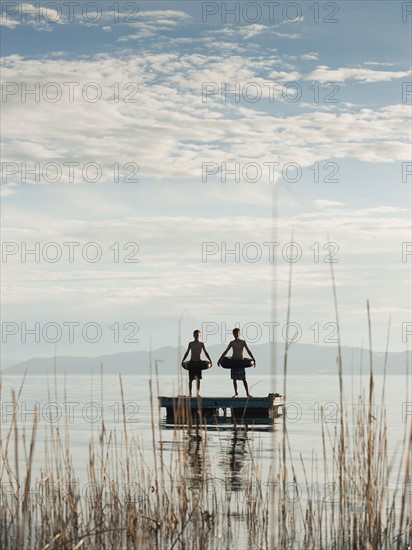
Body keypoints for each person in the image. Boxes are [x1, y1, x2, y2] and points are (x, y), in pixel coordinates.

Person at [218, 328, 255, 398]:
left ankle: (247, 394)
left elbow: (248, 351)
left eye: (237, 333)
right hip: (234, 362)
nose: (236, 335)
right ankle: (236, 393)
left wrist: (253, 359)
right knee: (234, 379)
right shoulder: (232, 343)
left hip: (241, 362)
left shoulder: (243, 342)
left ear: (239, 334)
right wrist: (220, 359)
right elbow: (226, 351)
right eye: (234, 333)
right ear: (233, 334)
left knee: (244, 379)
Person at [181, 330, 212, 396]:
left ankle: (198, 393)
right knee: (191, 379)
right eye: (195, 335)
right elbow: (187, 352)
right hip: (192, 362)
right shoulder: (191, 344)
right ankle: (190, 393)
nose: (196, 336)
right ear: (193, 335)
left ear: (200, 335)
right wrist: (183, 361)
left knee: (198, 379)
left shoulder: (201, 344)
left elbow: (206, 352)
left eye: (198, 335)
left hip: (198, 362)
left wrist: (210, 360)